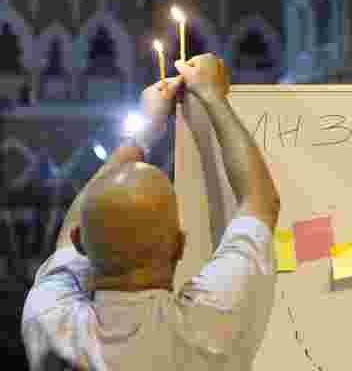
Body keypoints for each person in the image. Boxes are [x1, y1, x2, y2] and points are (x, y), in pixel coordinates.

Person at [21, 53, 281, 371]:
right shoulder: (209, 324)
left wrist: (143, 132)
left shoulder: (49, 319)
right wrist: (214, 97)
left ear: (80, 241)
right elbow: (260, 201)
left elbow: (71, 228)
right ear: (179, 246)